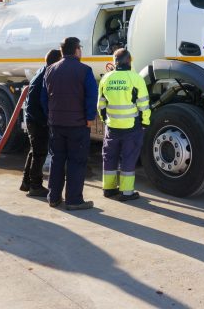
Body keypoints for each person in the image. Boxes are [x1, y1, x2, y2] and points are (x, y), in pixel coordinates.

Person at [41, 37, 98, 211]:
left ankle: (53, 197)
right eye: (80, 48)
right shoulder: (84, 70)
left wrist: (51, 116)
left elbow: (44, 98)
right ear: (76, 50)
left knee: (57, 159)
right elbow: (91, 96)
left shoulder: (50, 70)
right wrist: (90, 118)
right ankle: (74, 200)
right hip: (77, 125)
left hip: (56, 125)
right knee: (76, 161)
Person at [97, 48, 151, 201]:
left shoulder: (106, 78)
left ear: (115, 61)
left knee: (109, 157)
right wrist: (145, 123)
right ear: (129, 61)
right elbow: (144, 105)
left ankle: (108, 189)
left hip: (112, 125)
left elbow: (100, 105)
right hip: (131, 127)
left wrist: (105, 120)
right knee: (128, 158)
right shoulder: (136, 79)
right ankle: (126, 192)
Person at [20, 48, 62, 197]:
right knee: (40, 153)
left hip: (33, 118)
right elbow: (42, 102)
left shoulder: (41, 72)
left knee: (34, 152)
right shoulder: (46, 75)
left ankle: (27, 181)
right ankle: (35, 186)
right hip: (38, 120)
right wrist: (47, 120)